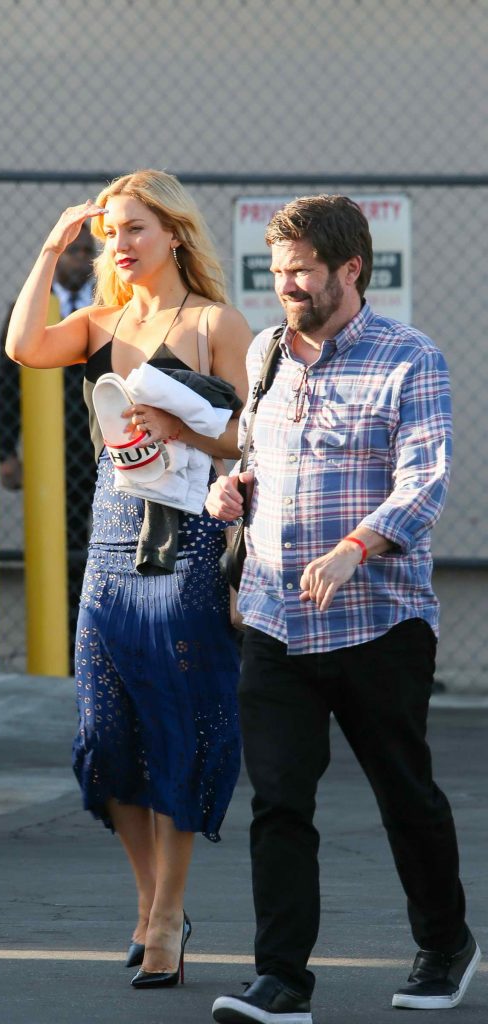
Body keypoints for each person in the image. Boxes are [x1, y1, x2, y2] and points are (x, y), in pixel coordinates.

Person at [206, 195, 480, 1024]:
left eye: (302, 273)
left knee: (406, 794)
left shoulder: (410, 358)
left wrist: (356, 546)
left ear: (350, 270)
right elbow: (259, 457)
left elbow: (424, 481)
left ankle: (445, 944)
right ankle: (281, 979)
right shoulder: (264, 355)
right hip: (275, 621)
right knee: (280, 801)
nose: (286, 286)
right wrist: (233, 490)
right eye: (277, 272)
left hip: (378, 625)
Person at [5, 169, 252, 988]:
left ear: (174, 233)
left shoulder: (216, 321)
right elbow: (23, 347)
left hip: (185, 545)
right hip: (111, 545)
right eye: (110, 231)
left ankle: (166, 922)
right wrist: (51, 248)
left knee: (176, 731)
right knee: (108, 738)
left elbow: (252, 439)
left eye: (134, 228)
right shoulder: (100, 322)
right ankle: (154, 905)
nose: (120, 244)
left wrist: (181, 421)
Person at [0, 225, 97, 671]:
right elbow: (7, 385)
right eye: (73, 253)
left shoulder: (106, 307)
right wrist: (5, 451)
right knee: (64, 540)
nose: (80, 261)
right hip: (53, 452)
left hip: (102, 442)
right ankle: (68, 638)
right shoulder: (31, 311)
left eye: (87, 253)